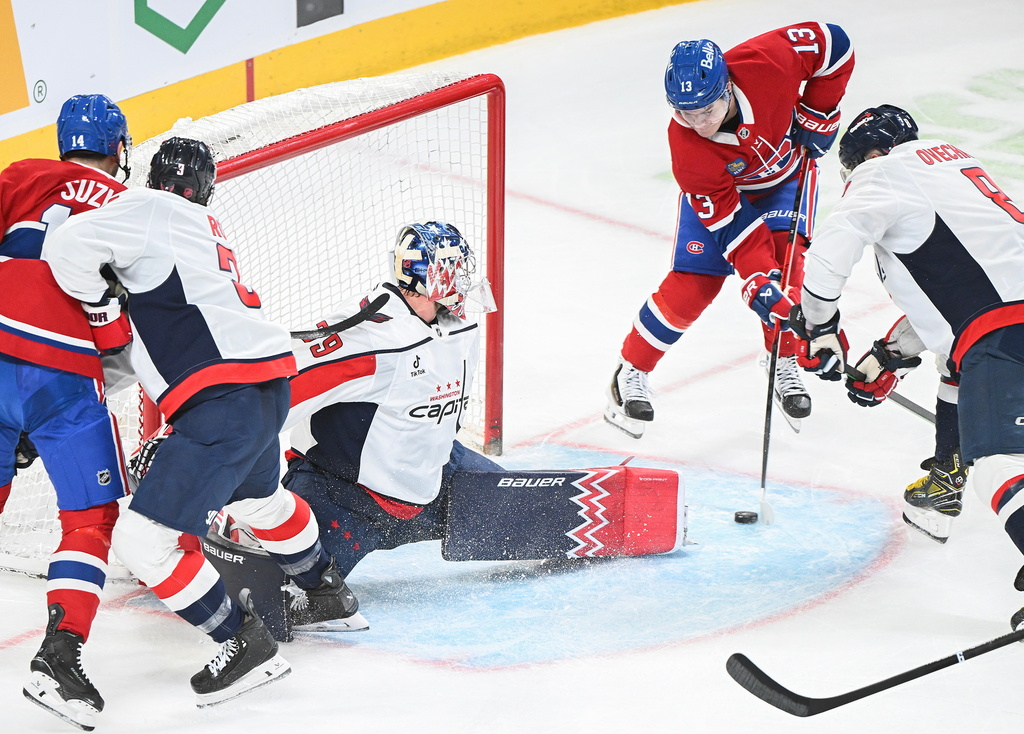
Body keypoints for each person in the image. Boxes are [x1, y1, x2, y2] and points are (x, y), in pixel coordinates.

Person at [42, 137, 355, 708]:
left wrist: (97, 307)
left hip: (221, 402)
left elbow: (64, 249)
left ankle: (244, 644)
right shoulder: (206, 229)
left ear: (153, 178)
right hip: (267, 390)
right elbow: (142, 349)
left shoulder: (144, 210)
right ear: (206, 188)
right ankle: (326, 589)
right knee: (259, 499)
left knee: (143, 541)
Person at [788, 104, 1024, 627]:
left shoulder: (883, 171)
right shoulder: (950, 169)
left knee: (999, 460)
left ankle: (960, 473)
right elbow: (965, 288)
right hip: (1002, 324)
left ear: (866, 157)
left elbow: (831, 251)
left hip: (1008, 335)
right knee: (957, 364)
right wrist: (889, 353)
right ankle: (944, 484)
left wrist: (820, 325)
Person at [605, 23, 854, 438]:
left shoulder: (767, 63)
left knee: (789, 272)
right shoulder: (689, 152)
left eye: (705, 110)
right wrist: (756, 277)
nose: (697, 122)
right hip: (727, 198)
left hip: (786, 180)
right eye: (684, 112)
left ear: (726, 89)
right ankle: (630, 371)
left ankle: (783, 361)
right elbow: (731, 225)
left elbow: (835, 44)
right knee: (694, 286)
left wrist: (820, 111)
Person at [0, 93, 132, 731]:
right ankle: (58, 658)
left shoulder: (21, 175)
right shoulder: (130, 208)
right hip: (66, 375)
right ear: (117, 148)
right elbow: (118, 334)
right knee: (89, 518)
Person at [281, 221, 503, 586]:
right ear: (431, 278)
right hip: (346, 499)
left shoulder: (461, 326)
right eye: (455, 270)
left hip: (436, 481)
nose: (464, 280)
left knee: (527, 513)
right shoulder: (370, 337)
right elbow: (280, 388)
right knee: (286, 601)